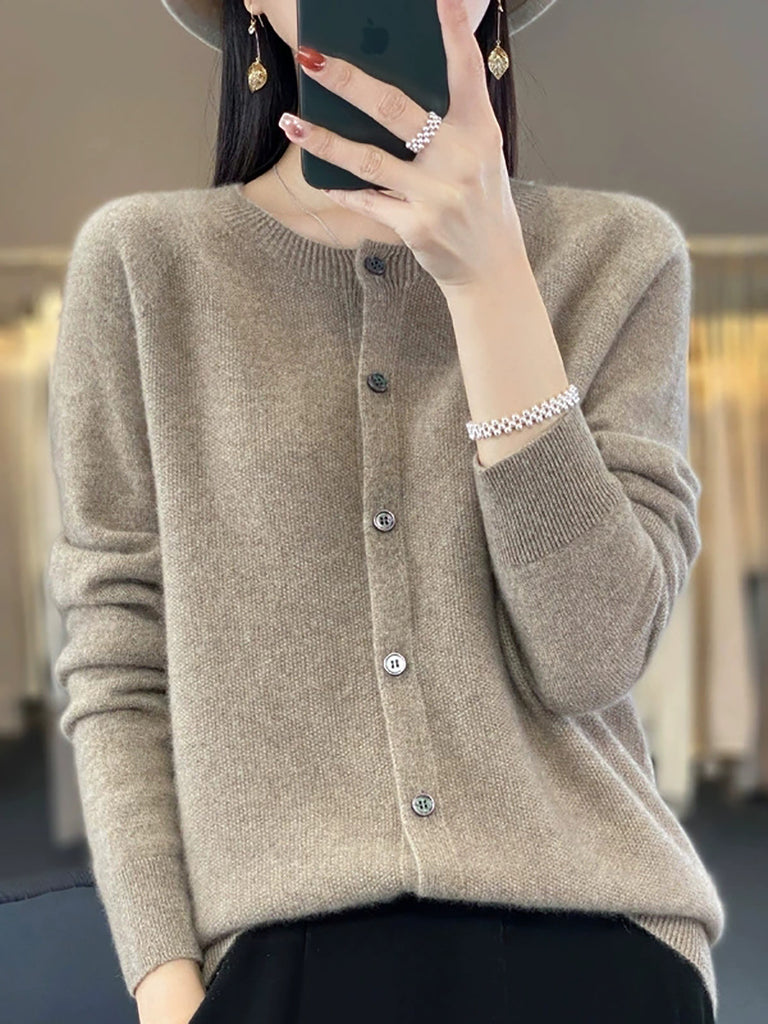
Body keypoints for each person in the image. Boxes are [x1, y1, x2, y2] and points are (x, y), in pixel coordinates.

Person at [46, 0, 725, 1022]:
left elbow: (592, 654)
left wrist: (490, 279)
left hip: (600, 950)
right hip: (280, 963)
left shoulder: (617, 256)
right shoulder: (145, 266)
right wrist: (166, 986)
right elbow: (119, 660)